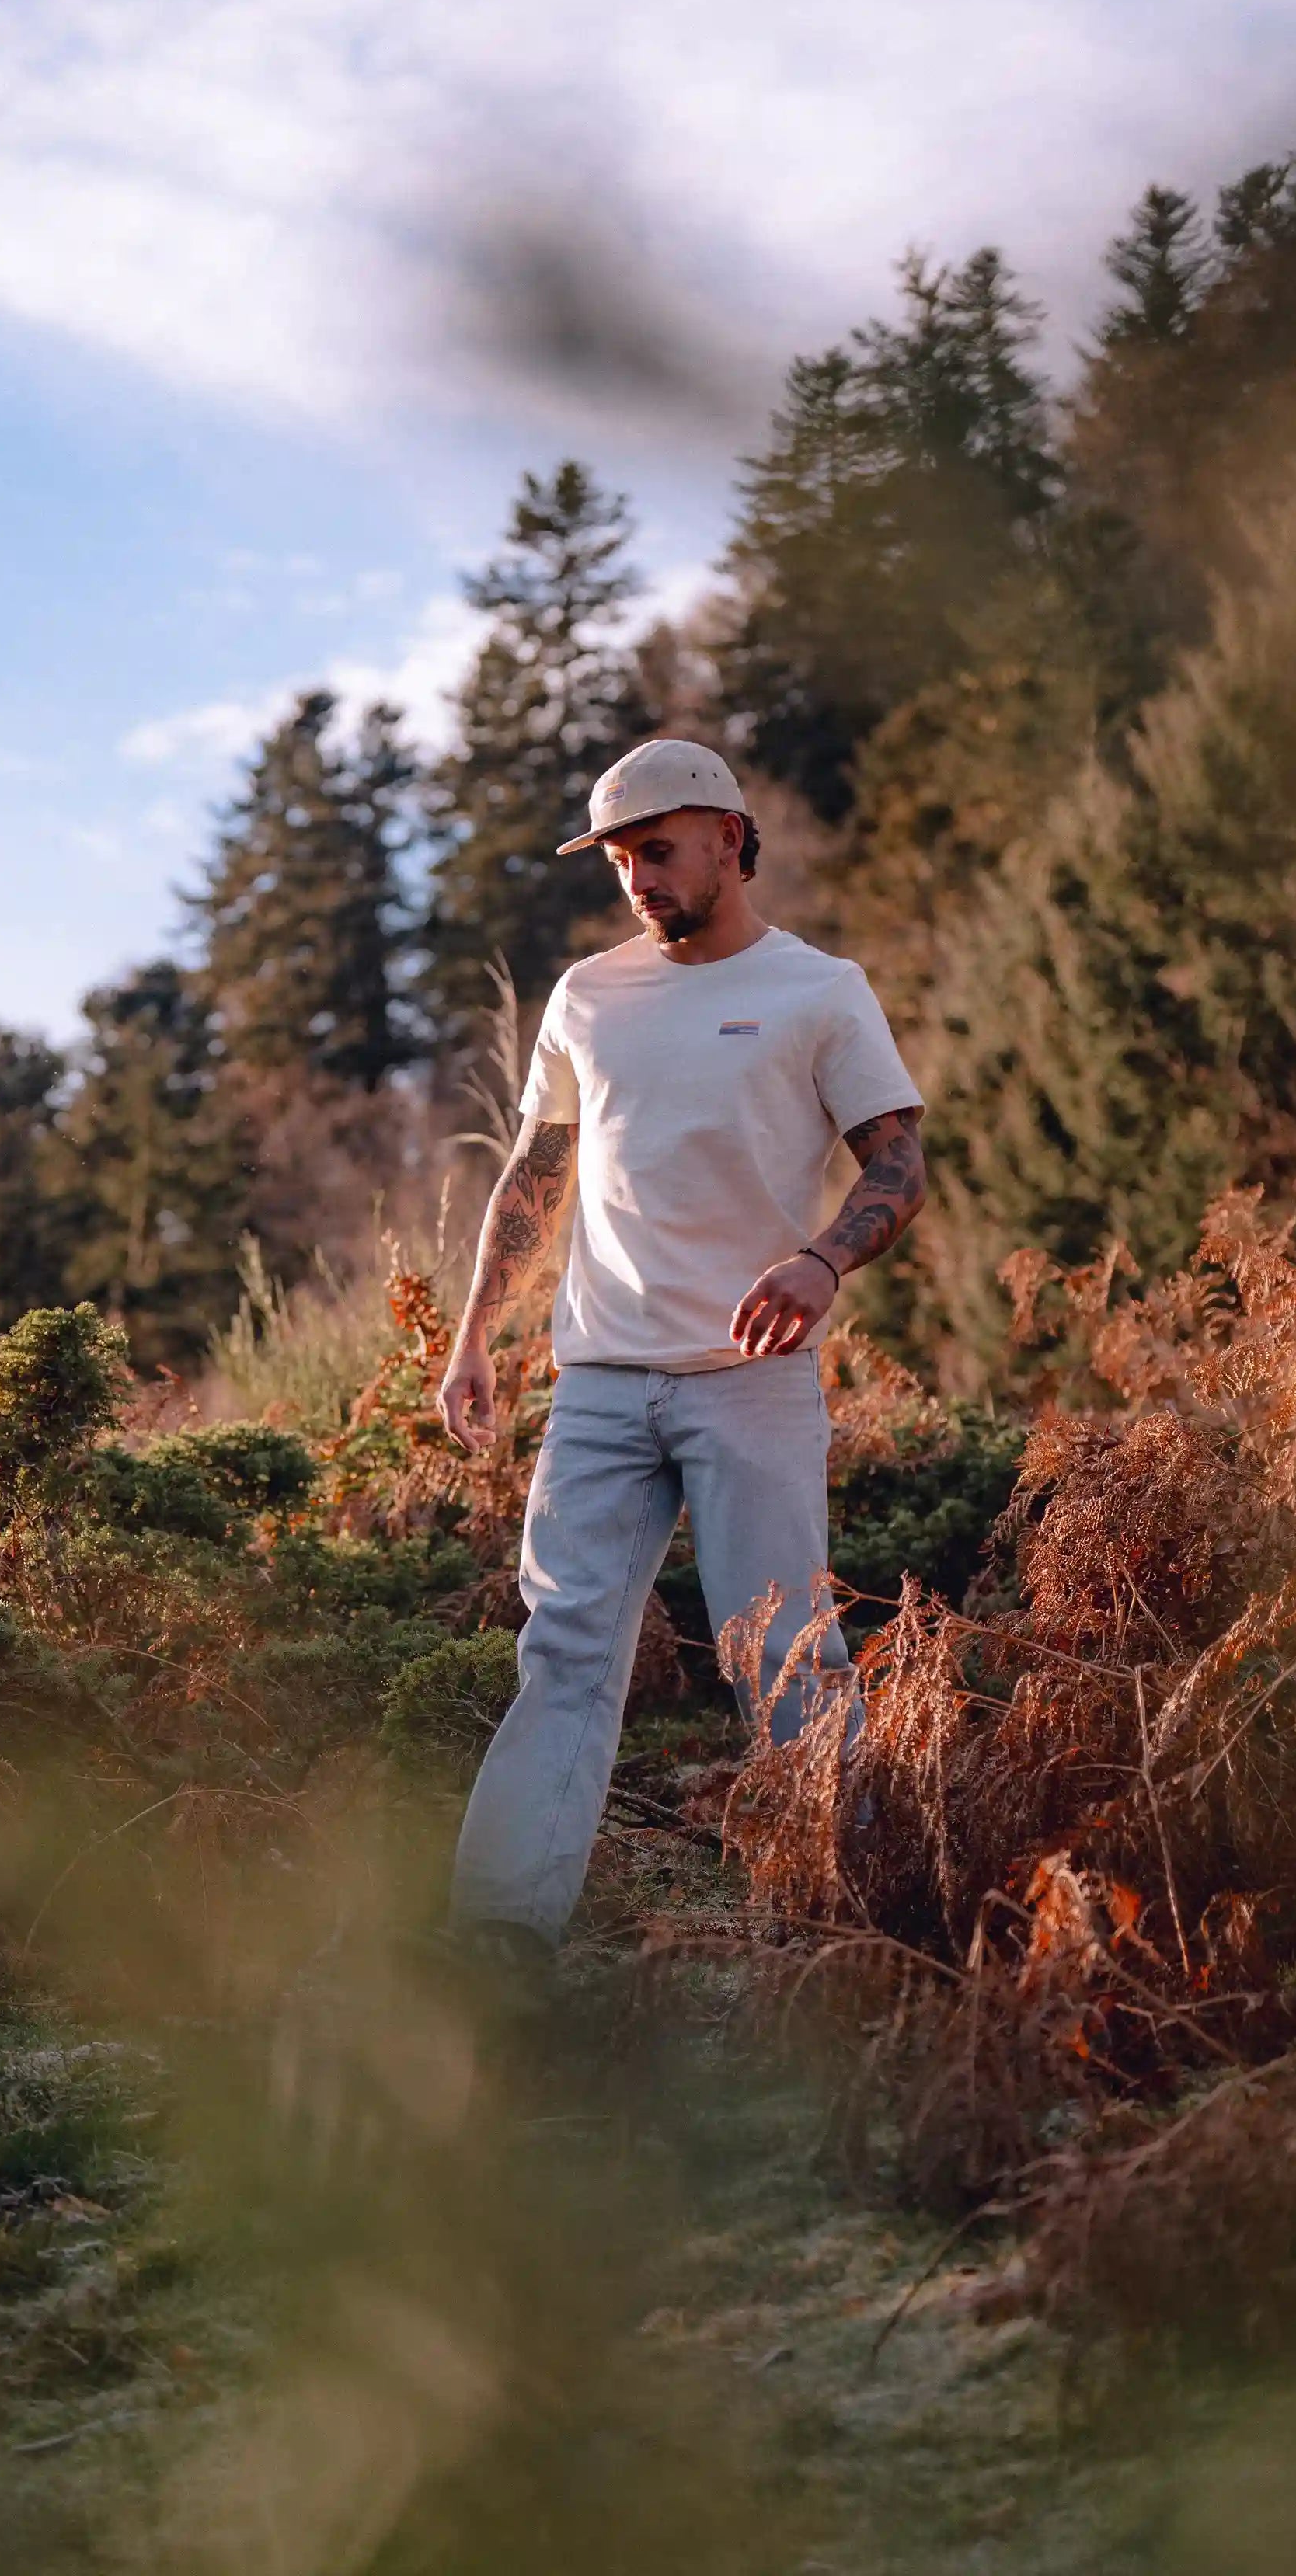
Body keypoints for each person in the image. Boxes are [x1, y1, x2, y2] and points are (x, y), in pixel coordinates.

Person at [435, 736, 925, 1960]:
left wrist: (820, 1262)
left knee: (788, 1664)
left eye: (657, 851)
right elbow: (535, 1175)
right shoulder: (589, 997)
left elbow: (900, 1164)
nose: (640, 879)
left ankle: (863, 1922)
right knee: (563, 1656)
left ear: (729, 838)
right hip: (599, 1384)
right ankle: (497, 1943)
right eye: (620, 861)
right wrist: (472, 1337)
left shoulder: (822, 991)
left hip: (751, 1387)